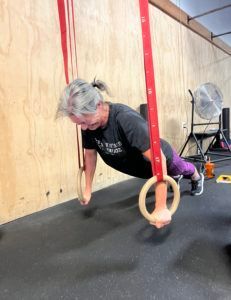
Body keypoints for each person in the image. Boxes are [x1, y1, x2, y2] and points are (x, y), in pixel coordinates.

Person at [56, 78, 204, 229]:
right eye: (79, 123)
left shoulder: (125, 119)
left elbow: (158, 160)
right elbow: (90, 155)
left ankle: (196, 175)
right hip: (144, 169)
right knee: (171, 175)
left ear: (98, 105)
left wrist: (160, 207)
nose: (84, 128)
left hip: (163, 159)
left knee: (182, 169)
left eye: (86, 122)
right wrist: (87, 189)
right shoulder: (87, 126)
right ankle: (175, 177)